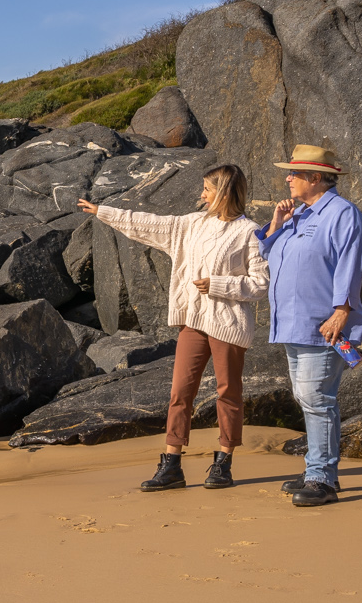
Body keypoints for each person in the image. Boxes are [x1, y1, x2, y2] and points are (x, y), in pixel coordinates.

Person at [76, 164, 269, 493]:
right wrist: (103, 211)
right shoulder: (191, 225)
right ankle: (171, 464)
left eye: (207, 189)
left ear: (223, 192)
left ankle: (223, 462)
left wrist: (218, 285)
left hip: (229, 325)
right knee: (180, 392)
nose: (202, 194)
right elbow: (148, 224)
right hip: (194, 321)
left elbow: (261, 284)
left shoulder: (250, 231)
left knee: (228, 393)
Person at [254, 144, 362, 507]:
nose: (287, 178)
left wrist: (342, 310)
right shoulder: (298, 214)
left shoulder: (342, 213)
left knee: (317, 398)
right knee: (307, 398)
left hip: (324, 324)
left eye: (294, 173)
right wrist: (276, 224)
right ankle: (315, 469)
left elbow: (350, 264)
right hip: (293, 323)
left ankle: (323, 478)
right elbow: (268, 253)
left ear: (315, 178)